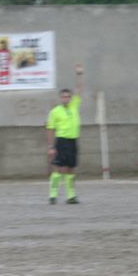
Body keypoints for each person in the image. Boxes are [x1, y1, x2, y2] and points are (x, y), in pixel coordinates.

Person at [46, 64, 84, 204]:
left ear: (70, 98)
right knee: (57, 169)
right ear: (60, 98)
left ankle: (71, 196)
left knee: (70, 169)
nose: (66, 99)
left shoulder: (74, 105)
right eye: (63, 97)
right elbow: (50, 129)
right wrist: (51, 146)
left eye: (68, 97)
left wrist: (79, 74)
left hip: (73, 141)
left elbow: (79, 89)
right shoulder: (55, 111)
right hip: (61, 141)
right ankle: (53, 195)